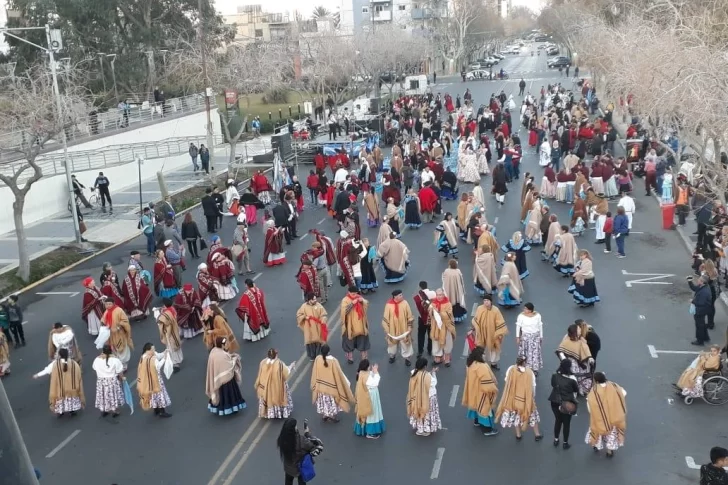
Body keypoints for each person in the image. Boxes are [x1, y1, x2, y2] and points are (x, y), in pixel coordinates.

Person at [496, 356, 542, 440]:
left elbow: (507, 381)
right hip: (525, 399)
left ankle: (518, 435)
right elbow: (533, 386)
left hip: (513, 398)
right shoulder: (529, 372)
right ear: (524, 362)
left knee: (515, 416)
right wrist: (532, 397)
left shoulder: (511, 369)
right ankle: (537, 434)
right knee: (532, 416)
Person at [33, 348, 85, 417]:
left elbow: (46, 370)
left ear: (59, 355)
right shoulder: (73, 363)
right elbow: (78, 374)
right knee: (71, 398)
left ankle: (60, 411)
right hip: (72, 388)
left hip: (60, 389)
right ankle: (72, 410)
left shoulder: (55, 364)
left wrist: (37, 375)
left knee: (60, 399)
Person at [586, 372, 627, 457]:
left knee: (598, 432)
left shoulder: (594, 391)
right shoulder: (614, 386)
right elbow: (623, 393)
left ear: (596, 381)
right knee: (611, 435)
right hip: (613, 417)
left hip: (599, 419)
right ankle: (609, 451)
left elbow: (590, 406)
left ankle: (596, 446)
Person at [310, 344, 354, 422]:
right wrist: (345, 382)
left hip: (320, 386)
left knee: (323, 401)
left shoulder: (317, 359)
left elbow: (315, 372)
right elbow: (339, 373)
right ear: (329, 352)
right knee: (331, 402)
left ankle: (325, 415)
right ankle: (332, 416)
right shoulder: (333, 361)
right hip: (331, 387)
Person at [462, 346, 499, 436]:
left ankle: (477, 421)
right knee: (484, 409)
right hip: (482, 391)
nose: (485, 356)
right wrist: (494, 389)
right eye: (484, 354)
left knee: (476, 406)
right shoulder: (482, 367)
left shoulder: (471, 364)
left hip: (473, 390)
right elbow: (488, 383)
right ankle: (486, 429)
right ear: (480, 355)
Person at [277, 418, 324, 485]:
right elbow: (316, 448)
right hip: (300, 467)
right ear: (294, 428)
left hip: (288, 466)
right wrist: (308, 434)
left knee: (288, 481)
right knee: (302, 482)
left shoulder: (282, 439)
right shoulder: (301, 440)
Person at [548, 359, 580, 450]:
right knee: (566, 424)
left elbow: (553, 385)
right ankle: (565, 443)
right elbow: (576, 390)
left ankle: (556, 439)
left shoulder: (554, 375)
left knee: (558, 420)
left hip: (554, 401)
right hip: (567, 403)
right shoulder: (572, 378)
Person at [556, 323, 595, 396]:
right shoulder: (566, 341)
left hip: (583, 363)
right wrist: (564, 360)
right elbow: (560, 351)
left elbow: (585, 349)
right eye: (578, 329)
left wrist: (589, 358)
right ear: (575, 332)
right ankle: (575, 390)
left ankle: (583, 389)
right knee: (575, 377)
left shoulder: (581, 339)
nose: (580, 330)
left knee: (584, 376)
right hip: (573, 363)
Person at [407, 357, 442, 436]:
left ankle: (420, 428)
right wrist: (433, 373)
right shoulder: (428, 377)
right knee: (427, 413)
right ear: (425, 367)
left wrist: (431, 372)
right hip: (428, 398)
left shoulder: (413, 373)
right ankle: (426, 429)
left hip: (417, 398)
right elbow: (433, 383)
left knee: (419, 412)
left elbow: (421, 376)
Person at [255, 348, 294, 419]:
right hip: (276, 387)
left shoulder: (263, 362)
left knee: (267, 398)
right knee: (278, 397)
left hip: (265, 388)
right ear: (276, 355)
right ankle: (279, 413)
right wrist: (291, 366)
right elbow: (286, 372)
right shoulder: (279, 364)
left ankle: (268, 413)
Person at [136, 342, 172, 418]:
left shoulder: (143, 357)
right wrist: (164, 358)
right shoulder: (152, 359)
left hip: (148, 381)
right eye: (153, 349)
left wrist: (164, 353)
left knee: (152, 395)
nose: (154, 350)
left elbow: (158, 355)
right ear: (148, 350)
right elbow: (158, 366)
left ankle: (156, 409)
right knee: (160, 394)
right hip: (156, 379)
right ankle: (162, 411)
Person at [471, 295, 507, 369]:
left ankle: (493, 363)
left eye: (487, 300)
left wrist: (499, 334)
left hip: (492, 333)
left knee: (493, 347)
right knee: (480, 347)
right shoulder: (480, 308)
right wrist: (474, 328)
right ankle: (482, 363)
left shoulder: (495, 310)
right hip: (481, 332)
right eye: (484, 300)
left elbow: (500, 322)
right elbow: (476, 319)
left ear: (491, 301)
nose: (486, 302)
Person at [353, 359, 385, 439]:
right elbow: (375, 383)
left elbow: (370, 375)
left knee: (365, 413)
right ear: (367, 367)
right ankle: (370, 432)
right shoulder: (366, 376)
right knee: (372, 413)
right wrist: (376, 372)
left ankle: (362, 429)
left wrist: (373, 371)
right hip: (370, 396)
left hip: (364, 395)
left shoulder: (361, 373)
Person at [382, 289, 415, 366]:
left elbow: (409, 316)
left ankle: (407, 358)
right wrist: (386, 329)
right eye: (400, 295)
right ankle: (392, 356)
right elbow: (385, 318)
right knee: (392, 344)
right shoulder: (388, 305)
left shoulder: (405, 303)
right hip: (392, 329)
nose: (402, 296)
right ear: (395, 296)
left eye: (401, 294)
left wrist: (409, 327)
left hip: (404, 328)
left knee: (406, 344)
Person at [92, 345, 125, 418]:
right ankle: (114, 410)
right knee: (113, 395)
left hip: (101, 381)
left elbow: (94, 368)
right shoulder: (115, 360)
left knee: (103, 395)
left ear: (103, 351)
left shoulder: (97, 359)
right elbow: (120, 371)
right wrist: (122, 378)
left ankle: (104, 410)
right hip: (112, 380)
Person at [340, 286, 370, 364]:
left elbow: (366, 304)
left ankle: (364, 356)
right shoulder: (345, 300)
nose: (354, 295)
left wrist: (362, 301)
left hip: (360, 324)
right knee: (349, 341)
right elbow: (344, 312)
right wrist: (352, 304)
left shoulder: (359, 298)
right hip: (350, 325)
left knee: (362, 341)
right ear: (349, 292)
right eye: (352, 294)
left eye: (355, 294)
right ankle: (350, 357)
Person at [101, 298, 133, 371]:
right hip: (111, 335)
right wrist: (103, 325)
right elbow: (103, 320)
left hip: (119, 334)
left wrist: (118, 327)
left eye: (109, 304)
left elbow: (125, 321)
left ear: (113, 303)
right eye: (106, 304)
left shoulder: (119, 310)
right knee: (114, 349)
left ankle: (124, 365)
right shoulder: (106, 311)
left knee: (122, 349)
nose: (108, 306)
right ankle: (117, 364)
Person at [428, 288, 457, 366]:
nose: (439, 296)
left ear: (443, 295)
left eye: (440, 295)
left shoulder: (448, 304)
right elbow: (430, 314)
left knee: (447, 343)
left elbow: (449, 315)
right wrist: (432, 311)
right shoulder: (433, 303)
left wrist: (439, 312)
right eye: (437, 295)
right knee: (436, 343)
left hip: (446, 326)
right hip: (436, 327)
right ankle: (438, 358)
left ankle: (447, 359)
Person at [296, 293, 328, 361]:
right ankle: (312, 356)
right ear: (309, 300)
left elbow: (324, 314)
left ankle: (319, 355)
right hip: (309, 328)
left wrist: (323, 320)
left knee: (319, 341)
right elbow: (299, 315)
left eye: (315, 299)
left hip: (318, 327)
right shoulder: (303, 306)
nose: (315, 300)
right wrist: (304, 317)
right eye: (314, 299)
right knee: (310, 342)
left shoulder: (319, 305)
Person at [515, 302, 544, 374]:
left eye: (526, 309)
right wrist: (517, 337)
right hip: (525, 337)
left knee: (535, 353)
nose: (524, 310)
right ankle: (524, 366)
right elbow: (518, 326)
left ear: (530, 310)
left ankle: (534, 369)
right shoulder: (521, 316)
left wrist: (541, 336)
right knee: (525, 352)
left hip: (535, 337)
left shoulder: (537, 316)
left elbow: (540, 326)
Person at [156, 299, 183, 372]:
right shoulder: (172, 309)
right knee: (176, 345)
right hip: (175, 330)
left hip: (170, 333)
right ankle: (179, 358)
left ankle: (175, 364)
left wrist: (159, 315)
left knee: (171, 348)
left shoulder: (167, 313)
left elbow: (161, 321)